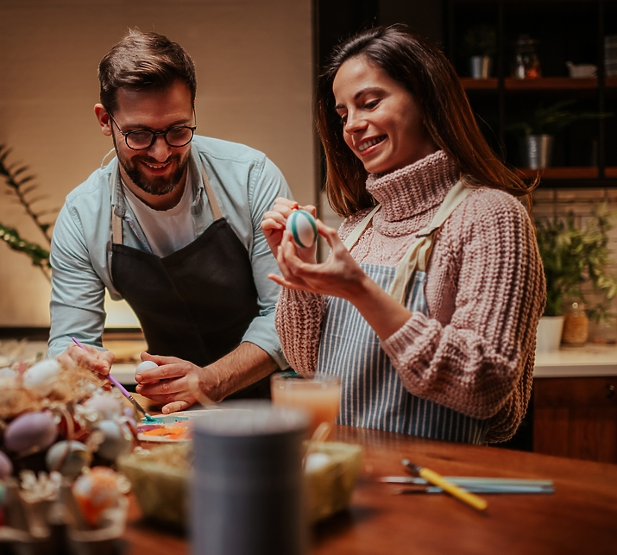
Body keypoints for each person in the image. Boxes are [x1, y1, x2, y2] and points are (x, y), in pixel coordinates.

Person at [261, 25, 545, 444]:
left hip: (434, 483)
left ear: (428, 99)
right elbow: (307, 365)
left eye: (370, 103)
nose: (353, 126)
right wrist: (301, 273)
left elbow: (485, 383)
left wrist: (361, 291)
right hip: (349, 472)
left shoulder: (491, 216)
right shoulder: (358, 228)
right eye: (343, 115)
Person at [47, 31, 292, 413]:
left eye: (178, 130)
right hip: (173, 415)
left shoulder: (250, 177)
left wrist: (212, 380)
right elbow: (69, 341)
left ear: (193, 109)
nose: (161, 153)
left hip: (279, 401)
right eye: (139, 134)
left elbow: (285, 313)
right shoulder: (83, 216)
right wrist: (78, 363)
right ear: (104, 120)